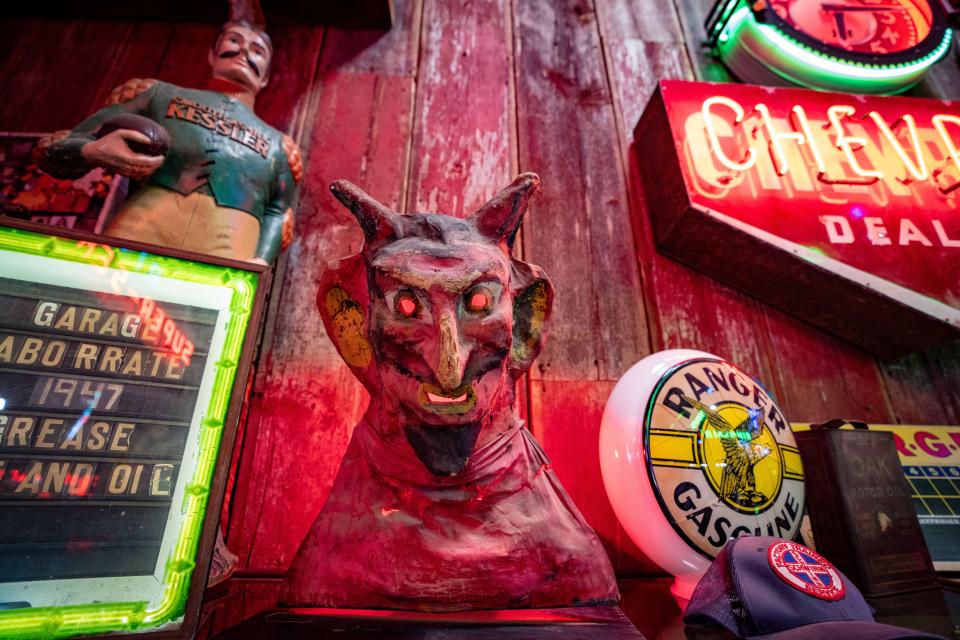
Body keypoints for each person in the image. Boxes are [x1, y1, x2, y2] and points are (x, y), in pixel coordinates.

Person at [36, 20, 301, 263]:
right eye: (234, 40)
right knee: (110, 302)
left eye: (257, 50)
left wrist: (260, 260)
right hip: (143, 228)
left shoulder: (280, 146)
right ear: (211, 53)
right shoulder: (157, 95)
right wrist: (94, 150)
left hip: (230, 248)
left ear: (266, 77)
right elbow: (56, 148)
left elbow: (279, 215)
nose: (243, 51)